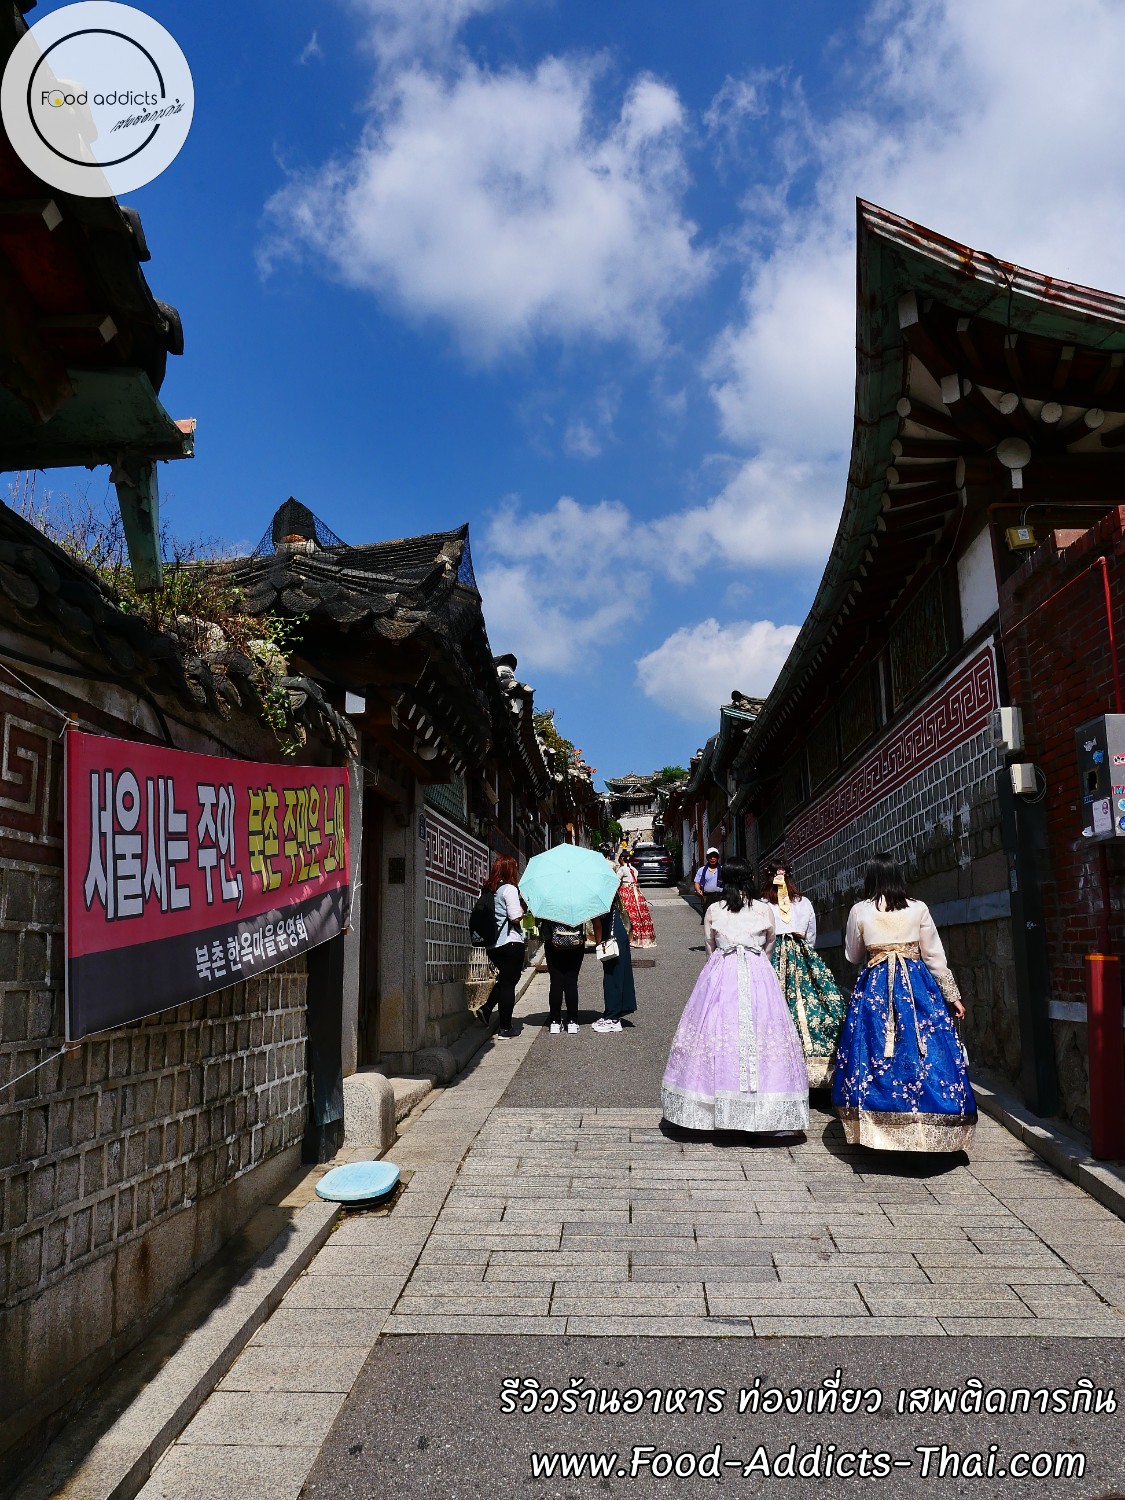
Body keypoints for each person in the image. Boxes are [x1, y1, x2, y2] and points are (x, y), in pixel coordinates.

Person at [832, 853, 976, 1153]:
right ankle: (930, 1119)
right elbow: (934, 955)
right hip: (916, 987)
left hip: (876, 987)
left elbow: (852, 956)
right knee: (923, 1046)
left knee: (874, 1048)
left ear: (870, 878)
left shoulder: (860, 910)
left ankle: (878, 1121)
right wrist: (952, 996)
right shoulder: (918, 908)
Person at [661, 859, 809, 1135]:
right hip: (757, 971)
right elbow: (769, 945)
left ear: (724, 880)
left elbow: (710, 947)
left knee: (716, 1030)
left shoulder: (714, 909)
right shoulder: (764, 909)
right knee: (763, 1031)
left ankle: (711, 1109)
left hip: (722, 971)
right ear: (750, 879)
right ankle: (764, 1111)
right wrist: (756, 964)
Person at [765, 864, 846, 1088]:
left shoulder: (762, 904)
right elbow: (811, 936)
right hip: (803, 957)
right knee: (815, 1003)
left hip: (772, 957)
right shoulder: (804, 902)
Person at [478, 855, 526, 1037]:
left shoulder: (487, 890)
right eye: (514, 868)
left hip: (492, 945)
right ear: (509, 870)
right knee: (508, 985)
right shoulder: (509, 889)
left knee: (505, 980)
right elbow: (515, 917)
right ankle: (505, 1028)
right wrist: (523, 908)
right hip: (510, 942)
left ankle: (487, 1008)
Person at [591, 895, 636, 1033]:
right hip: (619, 935)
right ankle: (613, 1013)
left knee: (611, 978)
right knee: (621, 975)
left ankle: (613, 1018)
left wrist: (598, 946)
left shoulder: (593, 901)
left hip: (611, 940)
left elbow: (597, 926)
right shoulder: (605, 896)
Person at [540, 918, 585, 1033]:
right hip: (575, 942)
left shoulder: (549, 906)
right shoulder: (578, 905)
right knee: (571, 982)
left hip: (553, 942)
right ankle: (572, 1022)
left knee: (556, 982)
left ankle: (555, 1021)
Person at [615, 850, 656, 948]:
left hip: (626, 892)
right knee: (639, 914)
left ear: (622, 859)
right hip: (636, 892)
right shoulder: (634, 869)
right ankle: (640, 938)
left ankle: (629, 938)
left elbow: (616, 880)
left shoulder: (622, 869)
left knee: (626, 914)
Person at [693, 848, 724, 923]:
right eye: (710, 857)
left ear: (718, 858)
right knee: (708, 915)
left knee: (720, 914)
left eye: (715, 856)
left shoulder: (723, 869)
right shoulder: (702, 870)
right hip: (707, 896)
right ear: (707, 858)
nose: (712, 858)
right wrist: (698, 890)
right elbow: (697, 882)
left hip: (721, 896)